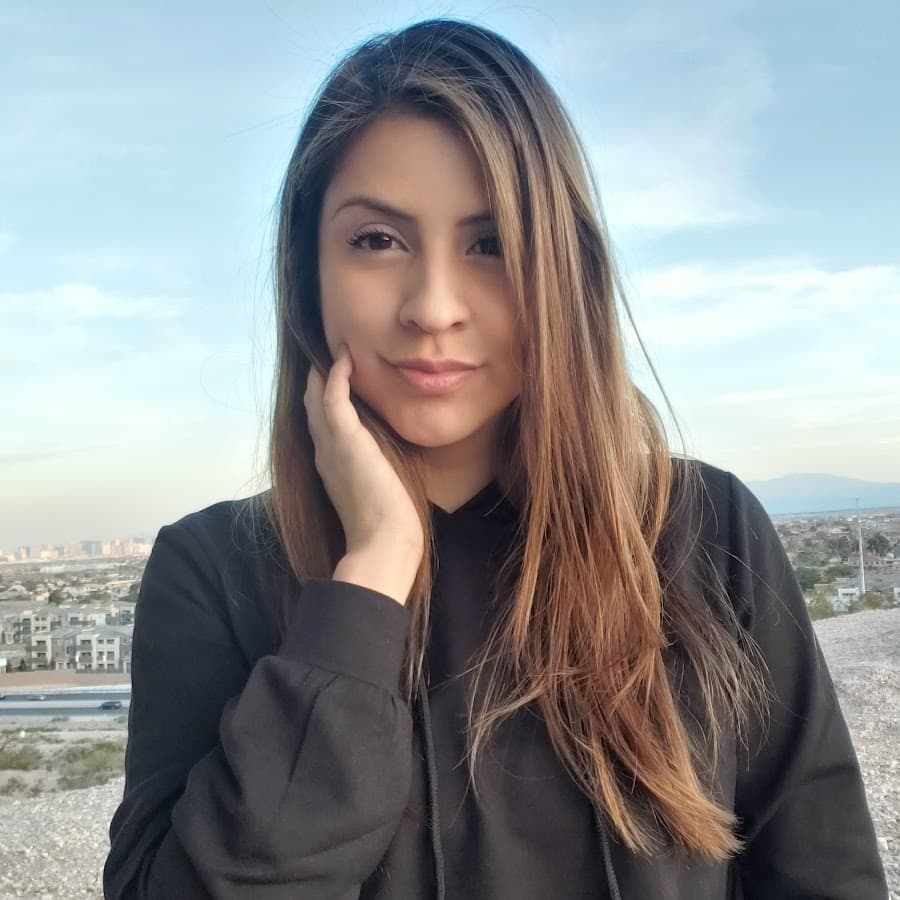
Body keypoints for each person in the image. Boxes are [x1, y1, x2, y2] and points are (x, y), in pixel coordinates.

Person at [102, 17, 888, 900]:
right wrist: (368, 582)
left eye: (493, 244)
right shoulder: (213, 571)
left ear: (563, 273)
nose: (434, 307)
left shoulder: (707, 531)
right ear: (305, 268)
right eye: (378, 240)